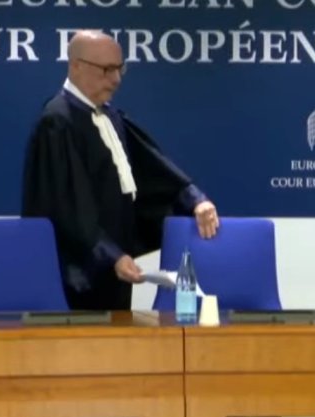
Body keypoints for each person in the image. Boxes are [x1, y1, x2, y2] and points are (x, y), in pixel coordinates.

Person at [21, 30, 220, 310]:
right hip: (77, 275)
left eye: (120, 69)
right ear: (76, 66)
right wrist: (110, 255)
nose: (116, 79)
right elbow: (66, 208)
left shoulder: (111, 117)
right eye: (106, 70)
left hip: (115, 267)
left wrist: (194, 199)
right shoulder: (57, 122)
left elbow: (153, 169)